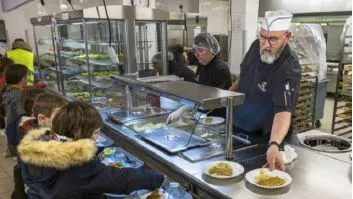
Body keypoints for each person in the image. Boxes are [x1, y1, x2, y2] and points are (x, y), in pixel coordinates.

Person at [18, 101, 165, 199]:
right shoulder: (79, 164)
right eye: (95, 133)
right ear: (78, 132)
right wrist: (156, 178)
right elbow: (120, 180)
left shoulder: (36, 147)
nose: (96, 138)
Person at [229, 10, 301, 171]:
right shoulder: (256, 46)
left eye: (273, 39)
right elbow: (244, 77)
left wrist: (274, 144)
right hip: (239, 128)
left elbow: (284, 111)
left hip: (265, 139)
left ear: (287, 37)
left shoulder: (289, 67)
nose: (266, 44)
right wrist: (224, 97)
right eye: (263, 36)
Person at [166, 32, 232, 123]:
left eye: (200, 50)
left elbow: (209, 97)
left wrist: (183, 109)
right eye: (195, 51)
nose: (197, 54)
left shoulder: (219, 68)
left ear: (212, 50)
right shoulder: (202, 64)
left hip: (218, 116)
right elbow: (199, 89)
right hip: (203, 112)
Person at [11, 89, 48, 199]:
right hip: (36, 180)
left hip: (25, 169)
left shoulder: (18, 121)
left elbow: (12, 140)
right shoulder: (35, 131)